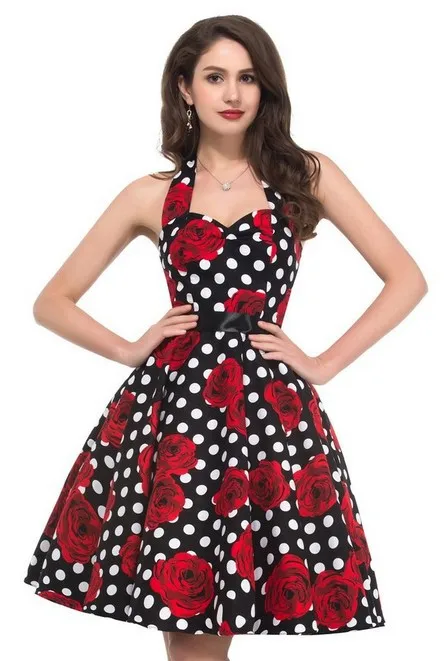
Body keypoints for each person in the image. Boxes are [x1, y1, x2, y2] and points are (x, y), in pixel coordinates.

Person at [23, 14, 427, 661]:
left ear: (266, 89)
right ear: (185, 88)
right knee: (187, 626)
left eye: (248, 78)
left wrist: (323, 363)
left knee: (235, 607)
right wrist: (131, 348)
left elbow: (406, 279)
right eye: (215, 77)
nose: (233, 93)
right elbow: (52, 301)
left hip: (269, 414)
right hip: (179, 413)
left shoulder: (305, 175)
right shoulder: (152, 194)